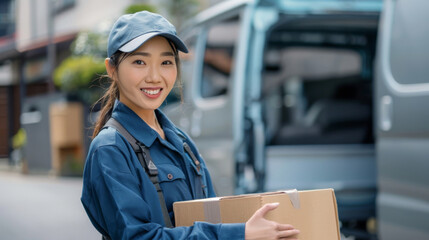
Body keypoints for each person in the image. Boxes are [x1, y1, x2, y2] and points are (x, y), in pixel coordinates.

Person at [81, 11, 300, 240]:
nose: (155, 76)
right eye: (139, 62)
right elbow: (139, 237)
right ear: (112, 69)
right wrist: (239, 234)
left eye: (166, 62)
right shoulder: (110, 148)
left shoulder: (181, 141)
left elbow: (212, 216)